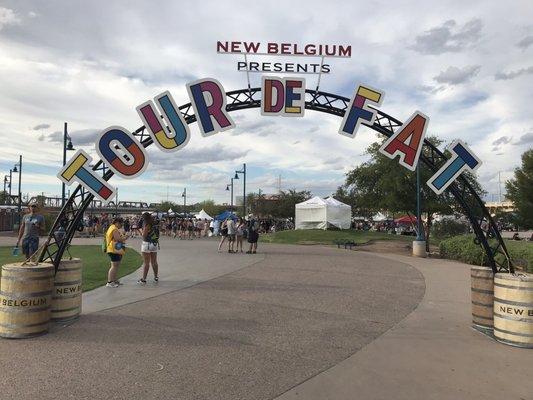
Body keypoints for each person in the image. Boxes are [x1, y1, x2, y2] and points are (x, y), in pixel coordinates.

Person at [138, 212, 159, 285]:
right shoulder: (154, 223)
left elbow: (144, 235)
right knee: (154, 261)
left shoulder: (147, 224)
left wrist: (140, 230)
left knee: (146, 263)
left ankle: (144, 279)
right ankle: (156, 277)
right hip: (154, 243)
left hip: (147, 243)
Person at [105, 217, 127, 288]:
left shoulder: (112, 227)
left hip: (113, 249)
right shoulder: (114, 229)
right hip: (113, 249)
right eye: (121, 224)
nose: (121, 225)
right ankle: (110, 282)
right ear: (117, 222)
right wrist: (125, 237)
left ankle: (114, 280)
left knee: (116, 265)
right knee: (114, 266)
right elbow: (118, 239)